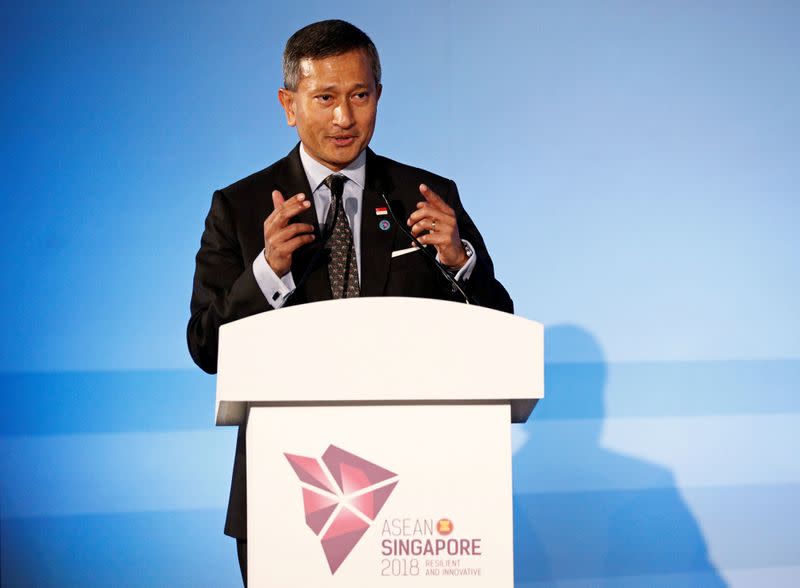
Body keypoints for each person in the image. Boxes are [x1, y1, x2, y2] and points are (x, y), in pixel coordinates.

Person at [186, 19, 513, 585]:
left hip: (416, 495)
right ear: (290, 105)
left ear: (378, 97)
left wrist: (459, 262)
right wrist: (266, 271)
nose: (344, 118)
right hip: (287, 495)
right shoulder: (238, 209)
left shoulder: (426, 196)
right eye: (325, 98)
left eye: (359, 96)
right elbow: (208, 346)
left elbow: (499, 330)